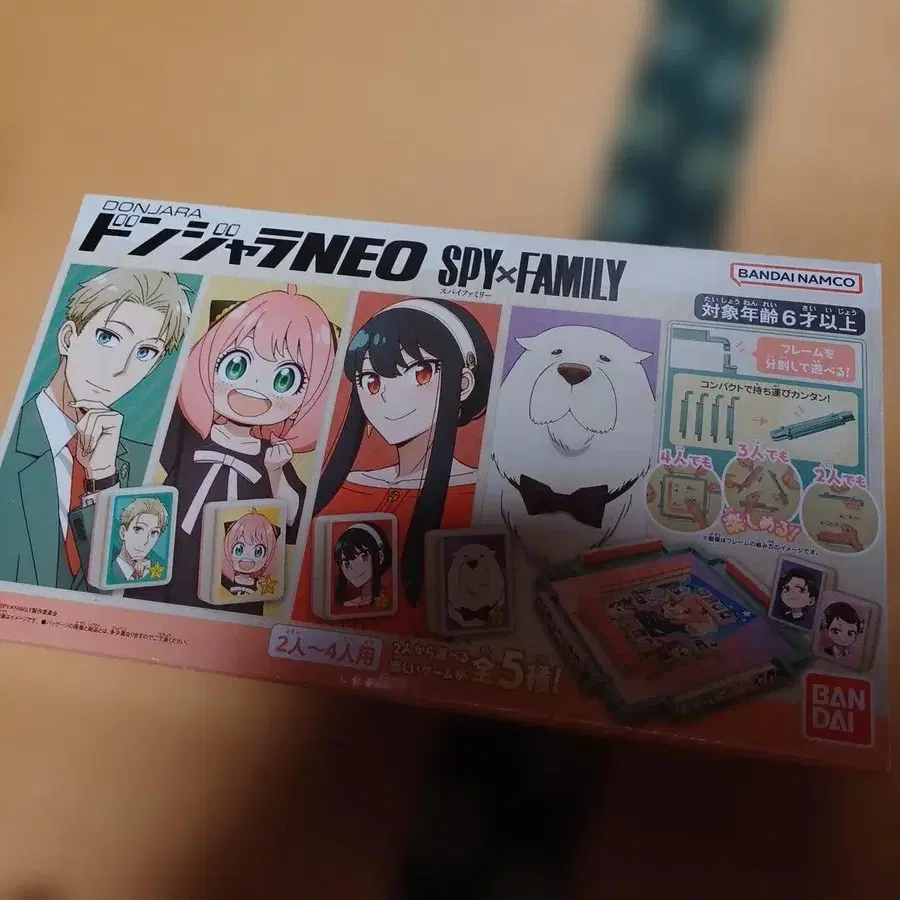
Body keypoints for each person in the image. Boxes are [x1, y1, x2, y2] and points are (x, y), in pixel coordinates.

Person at [135, 285, 335, 615]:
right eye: (236, 366)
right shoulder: (189, 433)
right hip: (167, 567)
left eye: (284, 380)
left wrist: (274, 472)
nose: (252, 388)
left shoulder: (273, 455)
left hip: (236, 579)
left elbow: (293, 523)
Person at [311, 297, 494, 634]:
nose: (387, 396)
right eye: (372, 381)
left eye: (419, 374)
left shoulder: (477, 496)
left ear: (463, 384)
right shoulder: (347, 485)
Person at [0, 268, 190, 589]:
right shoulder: (9, 437)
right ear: (68, 338)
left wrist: (103, 478)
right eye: (107, 337)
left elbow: (120, 582)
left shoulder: (145, 463)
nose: (120, 368)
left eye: (145, 352)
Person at [221, 509, 281, 597]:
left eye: (258, 552)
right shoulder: (224, 582)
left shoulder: (261, 585)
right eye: (239, 550)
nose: (247, 558)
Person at [110, 497, 169, 583]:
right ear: (123, 533)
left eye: (154, 533)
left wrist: (144, 578)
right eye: (138, 529)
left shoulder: (150, 575)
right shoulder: (111, 570)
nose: (145, 541)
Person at [333, 523, 391, 610]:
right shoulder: (347, 604)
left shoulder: (388, 599)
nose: (352, 567)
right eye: (345, 562)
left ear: (380, 556)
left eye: (363, 556)